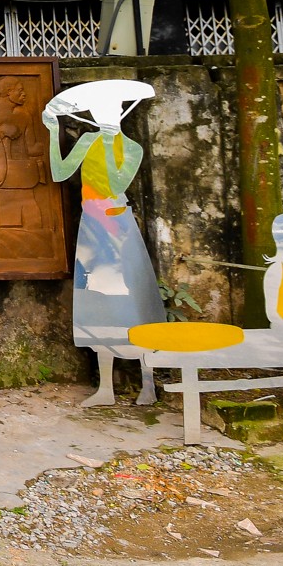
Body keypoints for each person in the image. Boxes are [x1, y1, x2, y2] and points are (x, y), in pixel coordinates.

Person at [44, 79, 163, 407]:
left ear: (120, 112)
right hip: (93, 226)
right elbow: (59, 172)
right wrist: (54, 131)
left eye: (109, 110)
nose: (102, 114)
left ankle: (148, 383)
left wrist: (111, 142)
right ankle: (106, 388)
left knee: (133, 300)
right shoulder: (86, 140)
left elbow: (115, 182)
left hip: (118, 224)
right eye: (98, 111)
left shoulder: (133, 148)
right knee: (98, 301)